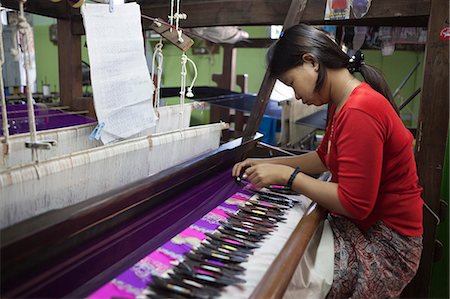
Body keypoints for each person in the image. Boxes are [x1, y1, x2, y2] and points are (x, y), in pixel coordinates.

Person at [232, 24, 423, 298]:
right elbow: (324, 157)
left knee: (275, 276)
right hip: (368, 226)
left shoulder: (360, 110)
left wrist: (288, 178)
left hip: (387, 244)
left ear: (311, 62)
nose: (296, 95)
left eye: (291, 83)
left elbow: (355, 203)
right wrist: (269, 165)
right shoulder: (342, 102)